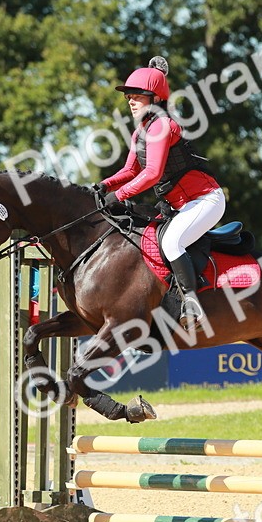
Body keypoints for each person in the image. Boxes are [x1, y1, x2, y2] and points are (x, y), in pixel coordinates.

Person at [96, 56, 225, 331]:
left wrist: (118, 197)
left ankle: (192, 304)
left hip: (206, 200)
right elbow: (129, 171)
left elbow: (152, 173)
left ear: (155, 98)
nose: (130, 101)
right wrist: (103, 186)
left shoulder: (162, 126)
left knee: (171, 242)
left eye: (137, 96)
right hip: (181, 206)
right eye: (128, 97)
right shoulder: (140, 131)